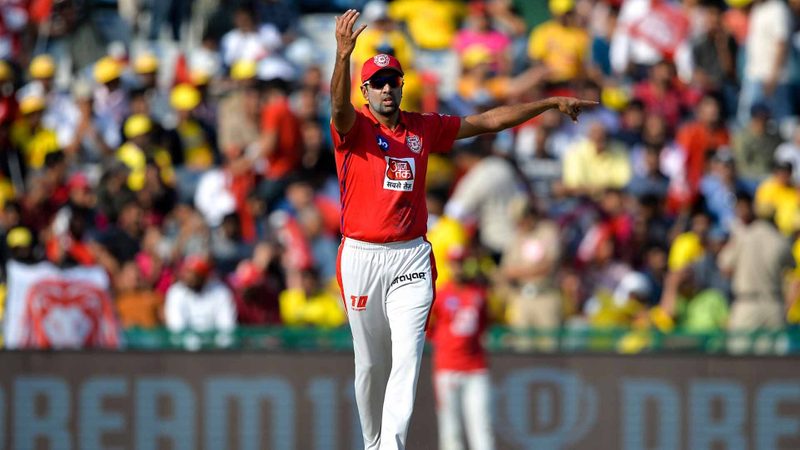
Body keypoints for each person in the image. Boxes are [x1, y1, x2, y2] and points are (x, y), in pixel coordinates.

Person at [330, 9, 596, 450]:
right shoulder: (354, 128)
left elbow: (488, 121)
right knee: (371, 364)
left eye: (392, 81)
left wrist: (548, 103)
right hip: (361, 254)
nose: (386, 89)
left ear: (402, 85)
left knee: (408, 354)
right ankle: (373, 442)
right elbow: (338, 108)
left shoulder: (422, 127)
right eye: (377, 83)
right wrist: (343, 57)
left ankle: (390, 446)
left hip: (411, 255)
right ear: (365, 91)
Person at [428, 246, 494, 450]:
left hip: (475, 367)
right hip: (448, 367)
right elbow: (428, 327)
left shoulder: (478, 293)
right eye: (455, 263)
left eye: (462, 263)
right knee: (450, 428)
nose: (458, 268)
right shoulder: (440, 295)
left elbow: (484, 325)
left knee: (481, 425)